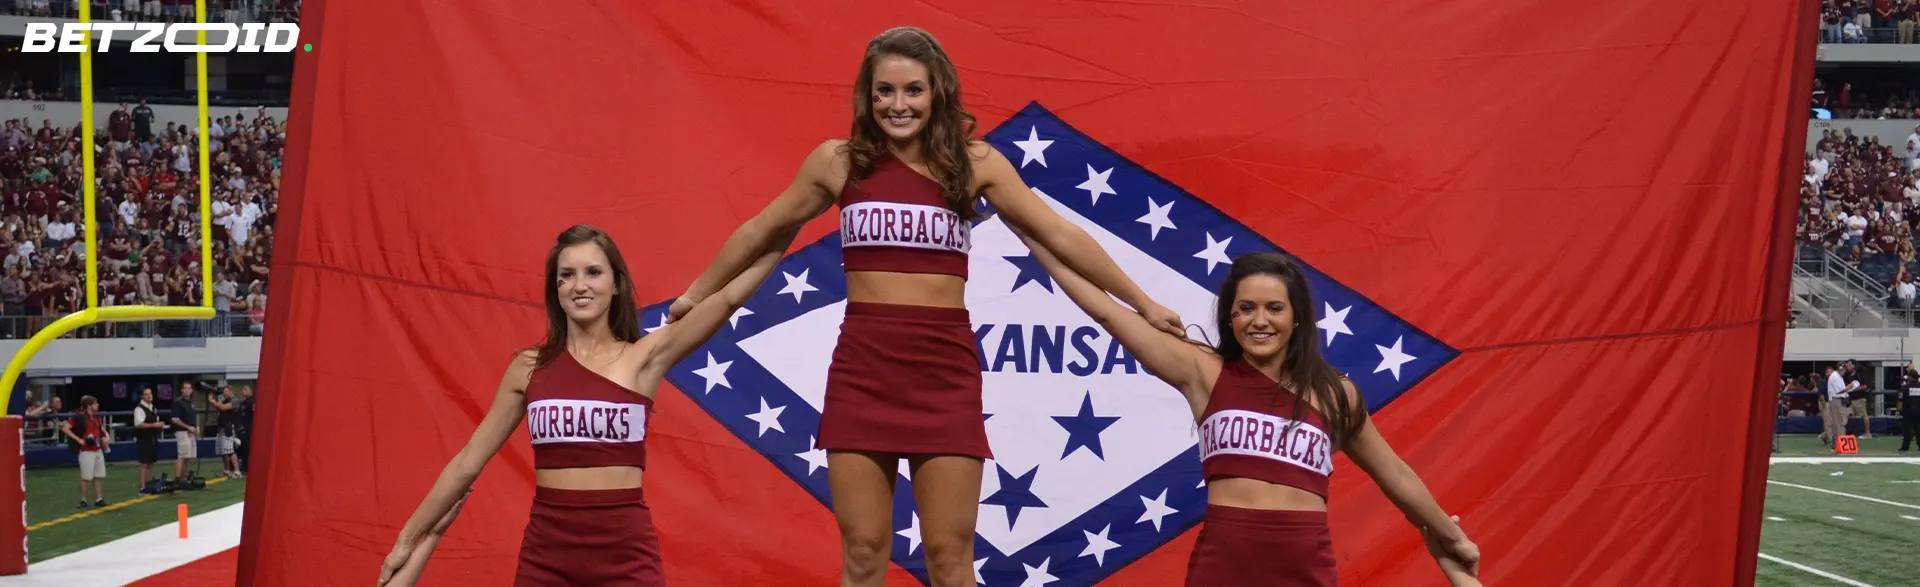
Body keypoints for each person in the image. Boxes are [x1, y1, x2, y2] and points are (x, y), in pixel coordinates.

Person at [662, 26, 1184, 587]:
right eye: (883, 91)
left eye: (912, 90)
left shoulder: (975, 162)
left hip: (944, 372)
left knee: (948, 558)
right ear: (867, 95)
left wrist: (1144, 302)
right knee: (864, 553)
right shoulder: (838, 163)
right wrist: (695, 293)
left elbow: (1060, 235)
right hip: (864, 369)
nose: (897, 104)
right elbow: (761, 229)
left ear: (938, 93)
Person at [1012, 234, 1480, 586]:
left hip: (1305, 566)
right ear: (1229, 316)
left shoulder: (1336, 393)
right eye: (1245, 308)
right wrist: (1032, 236)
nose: (1259, 320)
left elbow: (1394, 475)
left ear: (1297, 317)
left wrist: (1452, 538)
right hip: (1224, 565)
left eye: (1274, 308)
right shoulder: (1203, 371)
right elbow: (1106, 311)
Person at [376, 225, 789, 587]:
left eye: (593, 272)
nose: (580, 285)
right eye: (566, 275)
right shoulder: (528, 367)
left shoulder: (644, 357)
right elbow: (468, 462)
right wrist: (405, 541)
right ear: (555, 290)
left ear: (615, 283)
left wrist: (791, 222)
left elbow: (730, 297)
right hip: (547, 555)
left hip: (626, 555)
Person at [60, 395, 109, 508]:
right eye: (95, 403)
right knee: (86, 477)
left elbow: (101, 430)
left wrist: (105, 438)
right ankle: (83, 500)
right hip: (86, 450)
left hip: (97, 449)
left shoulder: (96, 418)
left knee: (98, 476)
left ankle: (99, 498)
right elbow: (65, 428)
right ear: (89, 405)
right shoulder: (79, 417)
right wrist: (79, 440)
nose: (98, 405)